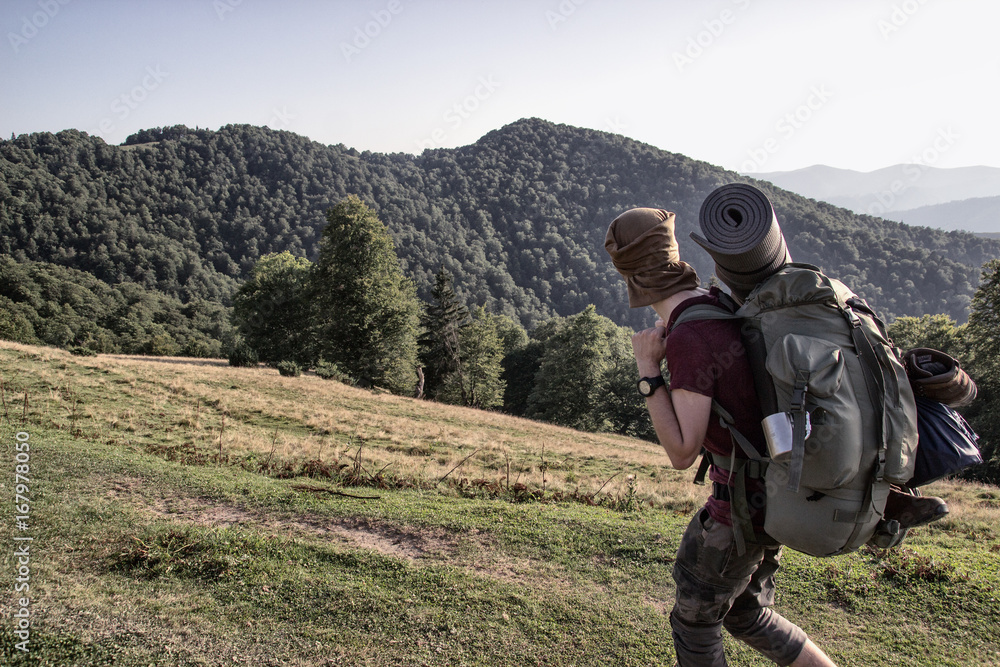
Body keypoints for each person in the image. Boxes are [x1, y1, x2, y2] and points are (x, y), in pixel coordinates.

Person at [605, 207, 837, 667]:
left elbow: (682, 451)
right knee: (747, 613)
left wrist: (649, 370)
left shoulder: (691, 335)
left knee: (694, 625)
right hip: (773, 497)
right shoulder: (718, 301)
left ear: (628, 275)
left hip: (740, 512)